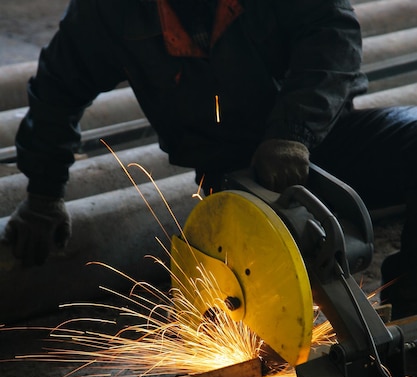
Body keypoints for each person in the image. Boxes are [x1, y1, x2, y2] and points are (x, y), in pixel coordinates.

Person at [2, 0, 417, 318]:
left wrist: (293, 134)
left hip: (325, 135)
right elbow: (57, 88)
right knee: (261, 298)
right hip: (234, 176)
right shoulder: (112, 10)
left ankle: (411, 305)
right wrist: (43, 194)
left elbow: (333, 34)